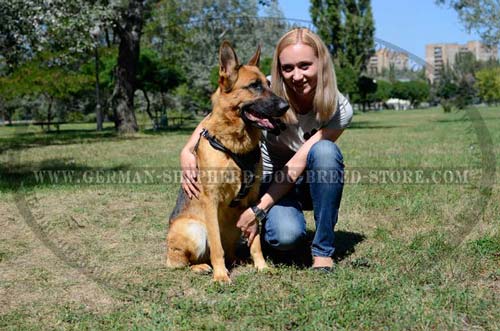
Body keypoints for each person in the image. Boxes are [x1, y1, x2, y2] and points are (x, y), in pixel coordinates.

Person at [180, 28, 353, 271]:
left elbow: (297, 165)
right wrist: (187, 150)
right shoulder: (263, 86)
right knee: (285, 237)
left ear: (321, 63)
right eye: (288, 68)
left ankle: (323, 250)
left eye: (305, 65)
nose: (297, 75)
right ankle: (275, 230)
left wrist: (257, 211)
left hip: (307, 181)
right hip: (269, 183)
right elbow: (217, 113)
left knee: (325, 152)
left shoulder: (340, 108)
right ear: (279, 69)